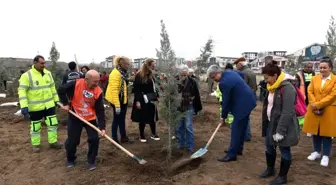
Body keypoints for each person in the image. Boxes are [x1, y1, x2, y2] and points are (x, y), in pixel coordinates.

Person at [259, 60, 300, 185]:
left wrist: (280, 131)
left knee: (284, 150)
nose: (265, 81)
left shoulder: (287, 89)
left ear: (275, 76)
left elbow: (287, 112)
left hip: (284, 126)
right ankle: (270, 169)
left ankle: (283, 177)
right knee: (269, 147)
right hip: (271, 124)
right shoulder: (272, 87)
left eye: (267, 78)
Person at [58, 70, 106, 171]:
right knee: (73, 140)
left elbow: (100, 110)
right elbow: (61, 89)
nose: (97, 84)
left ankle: (91, 161)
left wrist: (102, 127)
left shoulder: (98, 91)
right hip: (75, 115)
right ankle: (70, 159)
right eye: (94, 82)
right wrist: (65, 103)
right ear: (86, 79)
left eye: (98, 81)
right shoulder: (76, 83)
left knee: (94, 139)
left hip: (90, 118)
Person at [207, 65, 256, 162]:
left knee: (236, 129)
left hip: (242, 106)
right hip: (249, 100)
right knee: (242, 127)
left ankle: (232, 154)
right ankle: (238, 149)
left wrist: (223, 117)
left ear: (218, 73)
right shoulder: (230, 72)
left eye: (213, 77)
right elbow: (241, 75)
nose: (214, 80)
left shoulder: (224, 83)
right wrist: (239, 88)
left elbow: (226, 102)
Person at [18, 55, 62, 152]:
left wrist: (56, 100)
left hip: (49, 106)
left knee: (52, 125)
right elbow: (22, 91)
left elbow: (52, 88)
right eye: (42, 63)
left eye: (44, 63)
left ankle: (53, 142)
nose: (44, 65)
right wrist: (24, 106)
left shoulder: (48, 74)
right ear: (35, 63)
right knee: (36, 127)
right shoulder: (27, 76)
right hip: (35, 107)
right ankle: (36, 145)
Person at [303, 57, 336, 167]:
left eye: (324, 67)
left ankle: (325, 155)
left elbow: (332, 95)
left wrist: (317, 105)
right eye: (320, 67)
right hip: (314, 108)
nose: (322, 69)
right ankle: (316, 152)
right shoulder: (315, 78)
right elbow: (310, 91)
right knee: (315, 131)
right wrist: (313, 104)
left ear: (330, 68)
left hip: (328, 109)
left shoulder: (335, 79)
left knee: (326, 133)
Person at [131, 59, 160, 142]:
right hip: (142, 99)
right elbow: (137, 89)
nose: (154, 66)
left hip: (151, 99)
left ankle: (153, 133)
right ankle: (141, 135)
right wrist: (138, 101)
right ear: (148, 65)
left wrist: (157, 96)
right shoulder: (139, 75)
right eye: (153, 64)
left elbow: (154, 87)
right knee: (142, 117)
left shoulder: (151, 74)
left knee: (152, 117)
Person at [176, 65, 202, 153]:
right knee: (179, 126)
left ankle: (190, 146)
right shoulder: (175, 81)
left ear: (187, 73)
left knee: (188, 126)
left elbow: (196, 95)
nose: (182, 76)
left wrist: (197, 108)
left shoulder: (192, 82)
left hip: (189, 106)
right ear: (179, 73)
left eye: (184, 74)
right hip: (178, 107)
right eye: (181, 74)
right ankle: (181, 144)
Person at [105, 56, 130, 144]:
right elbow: (114, 90)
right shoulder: (115, 73)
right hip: (116, 100)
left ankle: (123, 136)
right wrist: (117, 105)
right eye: (127, 64)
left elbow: (123, 86)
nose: (128, 65)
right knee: (116, 119)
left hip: (123, 99)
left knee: (122, 119)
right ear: (121, 63)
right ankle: (114, 138)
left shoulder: (123, 73)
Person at [234, 57, 257, 142]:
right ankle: (246, 135)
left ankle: (246, 135)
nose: (236, 67)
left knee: (244, 117)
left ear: (240, 64)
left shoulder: (243, 73)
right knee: (246, 116)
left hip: (245, 98)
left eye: (236, 65)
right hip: (252, 96)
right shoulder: (251, 71)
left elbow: (243, 87)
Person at [296, 63, 315, 136]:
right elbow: (297, 85)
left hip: (311, 95)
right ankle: (302, 124)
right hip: (302, 95)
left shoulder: (314, 74)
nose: (310, 69)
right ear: (304, 67)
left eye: (311, 67)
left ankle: (309, 128)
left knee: (310, 111)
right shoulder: (299, 74)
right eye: (308, 67)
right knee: (302, 110)